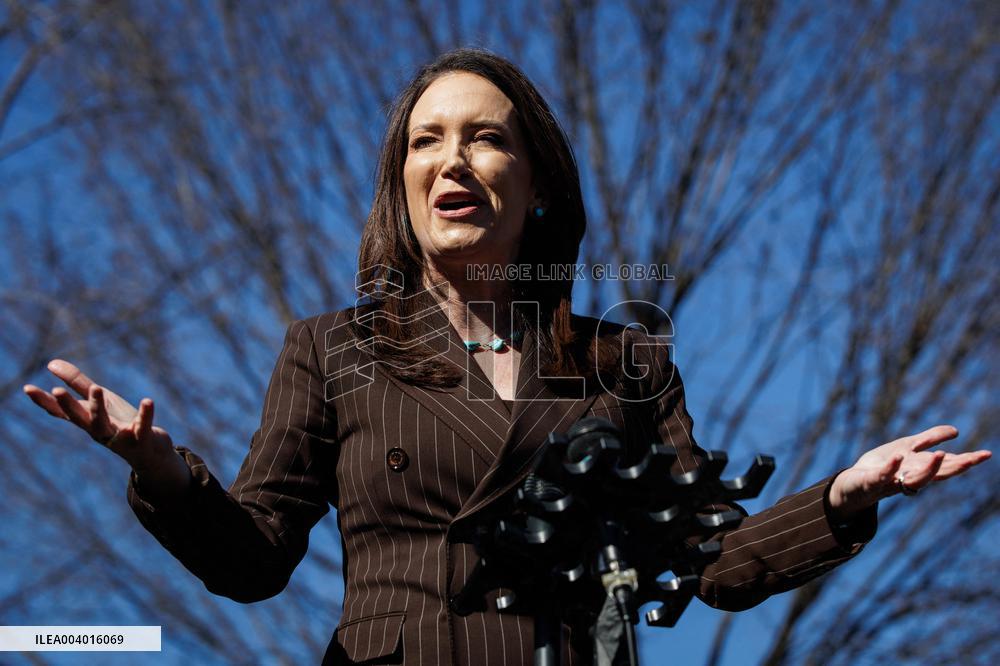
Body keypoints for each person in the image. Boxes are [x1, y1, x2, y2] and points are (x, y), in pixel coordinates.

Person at [23, 48, 990, 665]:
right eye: (426, 141)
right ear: (401, 185)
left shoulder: (626, 363)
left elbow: (710, 563)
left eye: (486, 139)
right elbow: (254, 561)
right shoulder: (332, 350)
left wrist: (841, 499)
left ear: (533, 187)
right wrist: (163, 474)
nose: (452, 160)